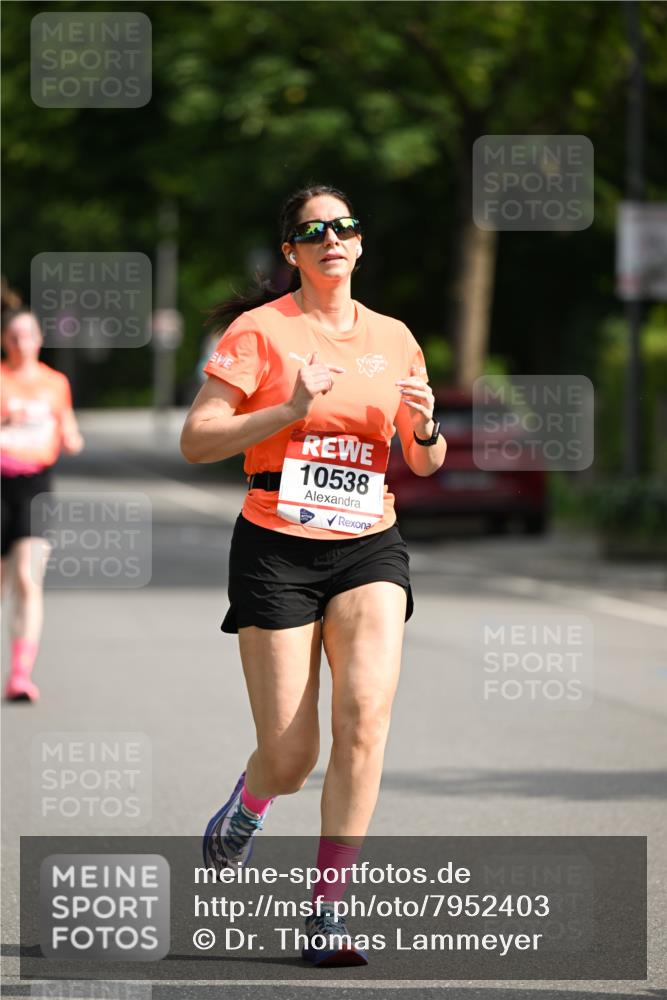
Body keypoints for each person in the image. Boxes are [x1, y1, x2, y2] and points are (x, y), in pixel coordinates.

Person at [180, 183, 446, 966]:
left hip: (369, 542)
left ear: (359, 245)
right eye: (314, 230)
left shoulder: (395, 338)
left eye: (345, 226)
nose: (333, 237)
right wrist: (287, 409)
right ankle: (252, 799)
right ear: (292, 251)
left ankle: (326, 914)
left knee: (363, 720)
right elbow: (198, 440)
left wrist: (426, 428)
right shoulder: (258, 334)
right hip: (275, 547)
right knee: (292, 755)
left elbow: (423, 462)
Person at [1, 307, 84, 701]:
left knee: (28, 579)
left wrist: (70, 436)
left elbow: (69, 430)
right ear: (5, 341)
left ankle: (20, 674)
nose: (21, 345)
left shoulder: (55, 383)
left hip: (35, 486)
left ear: (38, 340)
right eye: (13, 338)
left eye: (27, 336)